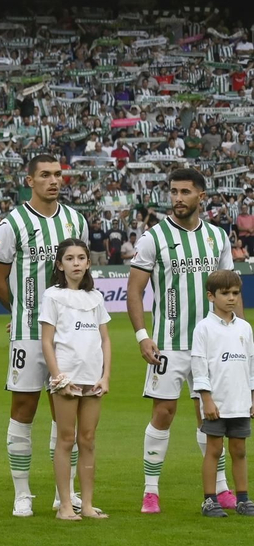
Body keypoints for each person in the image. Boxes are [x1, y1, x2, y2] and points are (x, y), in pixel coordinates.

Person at [128, 167, 236, 514]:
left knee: (211, 415)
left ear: (201, 197)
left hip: (211, 342)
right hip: (169, 343)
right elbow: (135, 290)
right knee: (164, 411)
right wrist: (143, 336)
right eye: (173, 192)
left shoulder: (217, 238)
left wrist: (236, 337)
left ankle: (220, 489)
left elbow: (230, 289)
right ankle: (150, 491)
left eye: (185, 192)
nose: (177, 198)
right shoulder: (153, 237)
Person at [0, 153, 88, 518]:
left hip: (71, 335)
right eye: (45, 175)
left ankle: (67, 493)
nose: (53, 180)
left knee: (67, 413)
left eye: (58, 174)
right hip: (29, 333)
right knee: (24, 408)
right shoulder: (12, 223)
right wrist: (19, 311)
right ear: (29, 180)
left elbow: (81, 271)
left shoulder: (76, 220)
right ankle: (22, 492)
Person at [38, 238, 112, 520]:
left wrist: (105, 376)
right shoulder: (52, 296)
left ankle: (88, 504)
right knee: (66, 439)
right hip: (66, 379)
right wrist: (58, 377)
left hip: (92, 379)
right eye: (70, 258)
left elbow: (105, 339)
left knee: (89, 440)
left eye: (81, 258)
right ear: (60, 264)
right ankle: (65, 505)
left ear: (88, 262)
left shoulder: (96, 298)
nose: (76, 263)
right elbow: (47, 341)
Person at [191, 270, 254, 519]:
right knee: (214, 451)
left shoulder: (245, 328)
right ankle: (209, 500)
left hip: (240, 401)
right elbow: (199, 365)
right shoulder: (204, 329)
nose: (231, 298)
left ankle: (243, 499)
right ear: (211, 296)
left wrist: (251, 397)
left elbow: (250, 364)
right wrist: (206, 398)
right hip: (216, 402)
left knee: (239, 450)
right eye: (225, 293)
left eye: (235, 293)